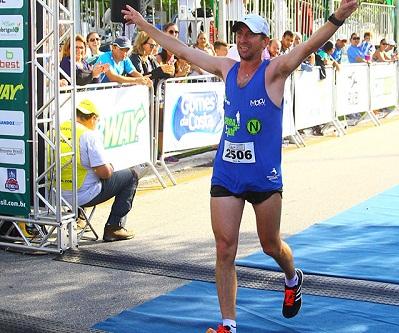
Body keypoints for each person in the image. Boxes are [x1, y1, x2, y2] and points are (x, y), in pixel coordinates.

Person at [122, 1, 359, 332]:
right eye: (239, 33)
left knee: (270, 245)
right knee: (224, 248)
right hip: (227, 174)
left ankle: (292, 277)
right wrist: (144, 25)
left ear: (264, 41)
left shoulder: (275, 70)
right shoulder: (226, 67)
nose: (243, 39)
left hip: (263, 177)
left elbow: (309, 46)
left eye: (251, 34)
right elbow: (182, 49)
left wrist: (337, 18)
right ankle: (228, 325)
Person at [60, 100, 138, 242]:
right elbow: (104, 173)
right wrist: (110, 166)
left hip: (52, 195)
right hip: (81, 195)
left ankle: (80, 217)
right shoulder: (88, 135)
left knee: (79, 171)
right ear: (93, 118)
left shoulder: (55, 129)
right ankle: (114, 227)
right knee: (131, 176)